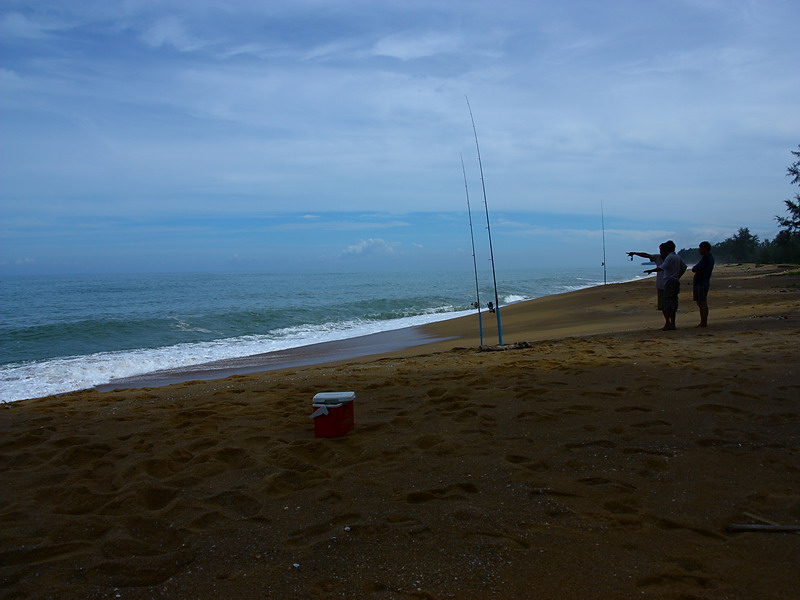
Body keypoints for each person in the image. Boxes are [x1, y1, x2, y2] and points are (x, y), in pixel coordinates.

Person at [628, 241, 686, 330]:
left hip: (668, 283)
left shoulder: (670, 258)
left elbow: (662, 268)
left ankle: (671, 324)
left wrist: (651, 270)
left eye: (661, 250)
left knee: (669, 305)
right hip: (662, 284)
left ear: (665, 250)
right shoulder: (667, 257)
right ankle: (668, 322)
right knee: (664, 305)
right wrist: (635, 253)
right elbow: (647, 255)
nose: (660, 252)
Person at [691, 241, 715, 327]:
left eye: (700, 248)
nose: (699, 250)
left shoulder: (706, 258)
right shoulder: (709, 258)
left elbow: (695, 268)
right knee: (702, 302)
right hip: (704, 281)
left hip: (701, 282)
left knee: (702, 303)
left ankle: (703, 322)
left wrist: (696, 269)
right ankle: (703, 321)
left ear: (704, 249)